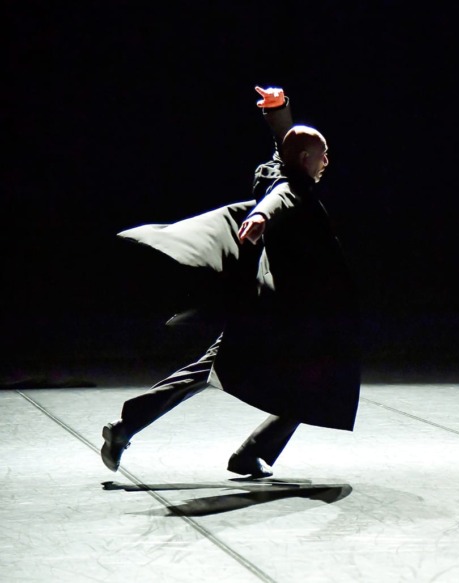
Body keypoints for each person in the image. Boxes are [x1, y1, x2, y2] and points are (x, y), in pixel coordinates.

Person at [101, 86, 360, 478]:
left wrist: (278, 111)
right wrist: (261, 217)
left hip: (272, 309)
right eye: (322, 155)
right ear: (307, 160)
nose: (328, 160)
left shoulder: (283, 169)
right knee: (316, 379)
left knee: (212, 371)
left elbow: (285, 149)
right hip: (281, 316)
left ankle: (126, 429)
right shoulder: (294, 189)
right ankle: (247, 452)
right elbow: (282, 197)